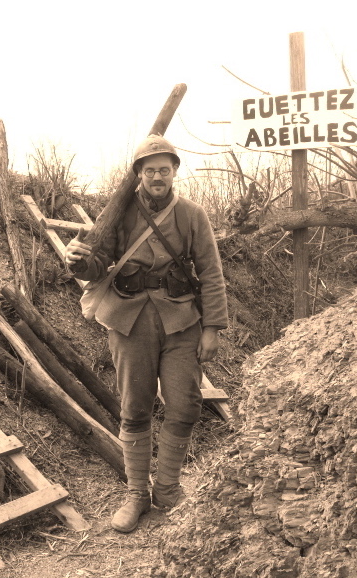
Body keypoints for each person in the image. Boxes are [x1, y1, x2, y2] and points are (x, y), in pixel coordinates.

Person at [64, 134, 228, 533]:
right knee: (135, 408)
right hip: (129, 319)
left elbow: (210, 273)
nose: (158, 176)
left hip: (181, 322)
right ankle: (137, 494)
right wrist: (77, 262)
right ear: (139, 173)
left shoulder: (192, 214)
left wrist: (212, 328)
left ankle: (168, 489)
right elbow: (97, 263)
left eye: (164, 169)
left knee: (185, 405)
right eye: (150, 169)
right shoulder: (118, 212)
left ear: (174, 172)